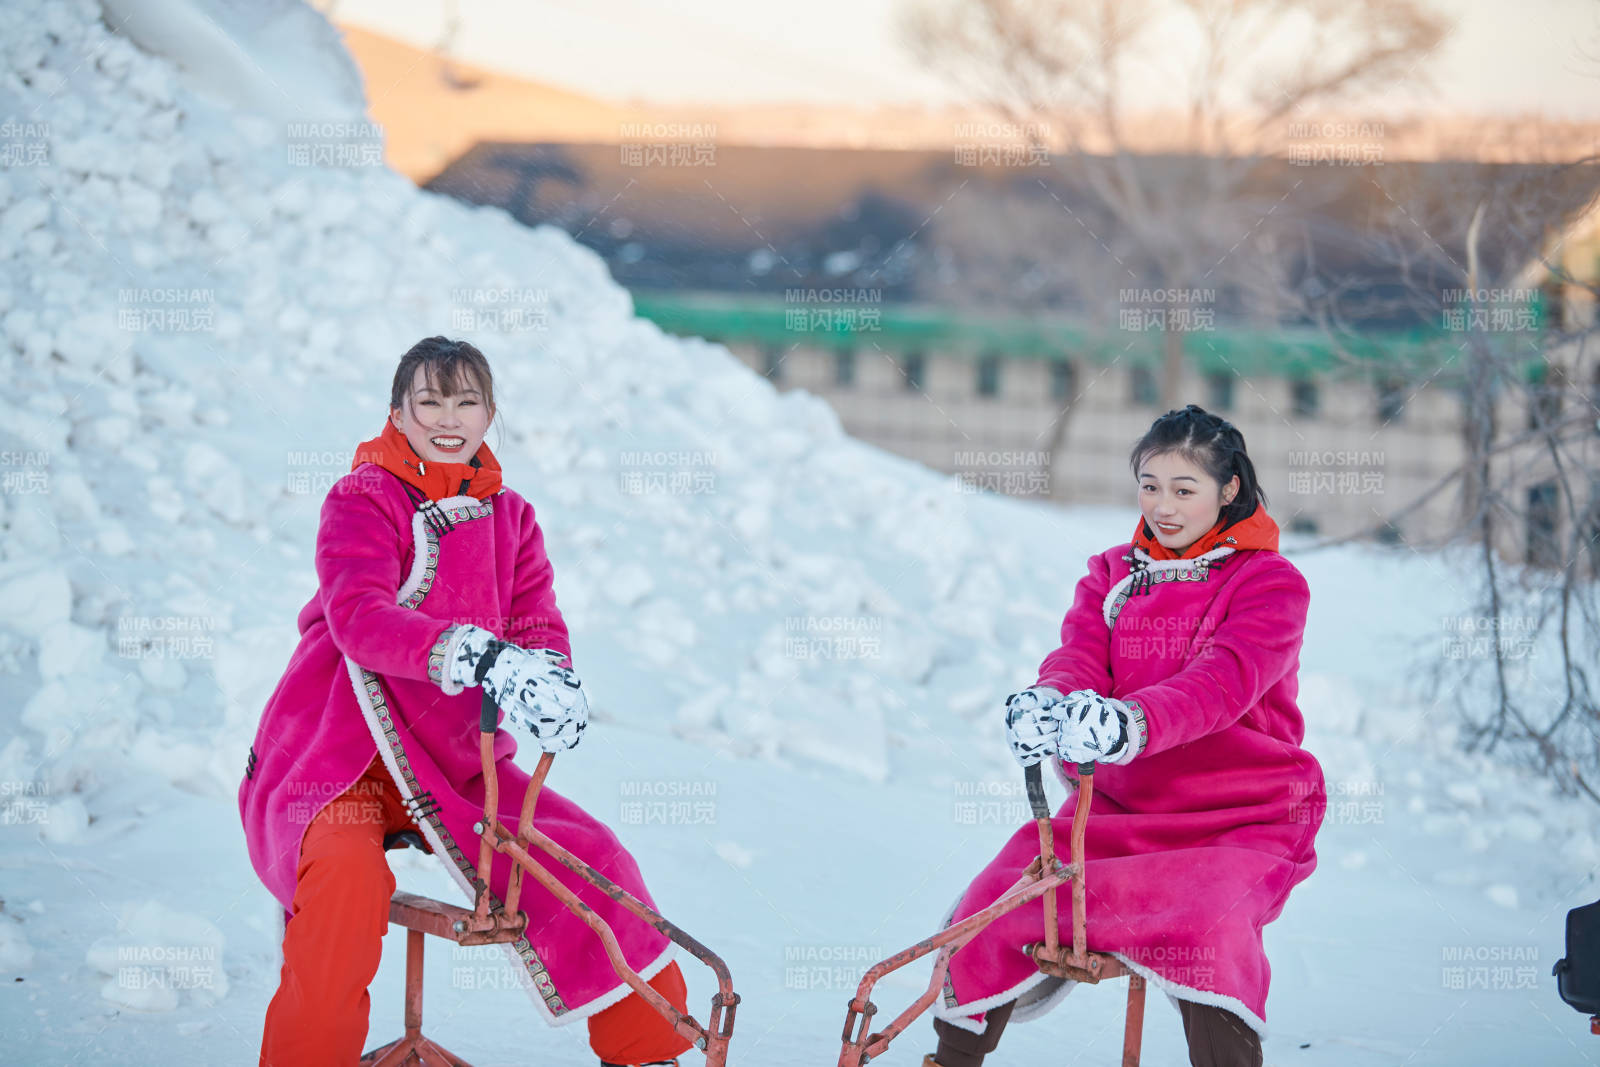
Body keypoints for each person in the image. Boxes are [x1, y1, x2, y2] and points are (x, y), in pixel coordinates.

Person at [239, 336, 690, 1067]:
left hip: (454, 763)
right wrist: (471, 654)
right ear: (398, 411)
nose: (448, 417)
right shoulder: (363, 497)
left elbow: (537, 618)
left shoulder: (511, 517)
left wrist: (549, 676)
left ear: (488, 413)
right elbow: (359, 616)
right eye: (430, 400)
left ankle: (649, 1050)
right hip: (337, 757)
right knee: (345, 893)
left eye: (466, 400)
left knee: (590, 856)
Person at [927, 405, 1327, 1067]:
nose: (1163, 506)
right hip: (1114, 814)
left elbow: (1222, 683)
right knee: (997, 900)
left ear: (1229, 490)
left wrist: (1131, 723)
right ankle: (950, 1059)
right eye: (1149, 485)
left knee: (1208, 927)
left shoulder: (1269, 583)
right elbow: (1080, 655)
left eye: (1183, 489)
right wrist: (1050, 698)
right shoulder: (1114, 572)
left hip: (1239, 818)